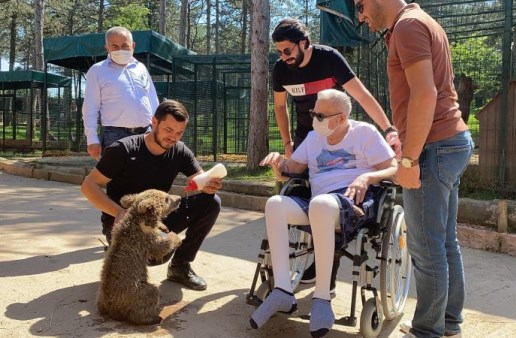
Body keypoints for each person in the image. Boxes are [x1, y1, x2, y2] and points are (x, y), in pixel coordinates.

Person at [357, 1, 474, 337]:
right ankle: (448, 322)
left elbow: (425, 94)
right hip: (451, 142)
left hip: (432, 148)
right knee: (444, 241)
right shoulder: (420, 22)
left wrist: (408, 160)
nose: (361, 16)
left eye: (360, 5)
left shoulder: (407, 27)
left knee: (426, 247)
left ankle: (428, 331)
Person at [250, 89, 397, 337]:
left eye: (320, 115)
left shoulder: (364, 133)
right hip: (319, 201)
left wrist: (367, 176)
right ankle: (283, 291)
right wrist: (278, 164)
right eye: (313, 113)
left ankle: (321, 298)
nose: (314, 118)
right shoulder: (313, 138)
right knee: (275, 203)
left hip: (354, 202)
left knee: (321, 205)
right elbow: (291, 169)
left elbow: (393, 169)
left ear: (341, 118)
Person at [271, 16, 401, 286]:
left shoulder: (328, 58)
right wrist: (287, 144)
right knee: (299, 191)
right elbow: (280, 108)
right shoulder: (281, 70)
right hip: (308, 136)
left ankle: (325, 265)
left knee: (330, 201)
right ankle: (302, 262)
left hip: (338, 130)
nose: (283, 57)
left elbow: (362, 95)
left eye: (287, 50)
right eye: (278, 51)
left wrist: (388, 129)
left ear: (303, 43)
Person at [81, 99, 221, 291]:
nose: (173, 137)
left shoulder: (179, 151)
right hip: (123, 223)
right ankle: (120, 257)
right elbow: (89, 186)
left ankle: (180, 266)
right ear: (154, 122)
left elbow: (200, 180)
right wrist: (120, 213)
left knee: (212, 202)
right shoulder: (123, 149)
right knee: (156, 255)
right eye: (169, 130)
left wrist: (209, 184)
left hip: (158, 219)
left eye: (179, 133)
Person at [82, 26, 159, 161]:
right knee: (117, 179)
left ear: (133, 46)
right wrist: (91, 139)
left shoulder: (141, 68)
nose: (120, 49)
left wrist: (157, 128)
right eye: (115, 46)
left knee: (146, 177)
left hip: (147, 133)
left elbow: (152, 98)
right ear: (107, 48)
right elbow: (90, 107)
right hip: (116, 136)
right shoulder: (97, 71)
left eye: (124, 45)